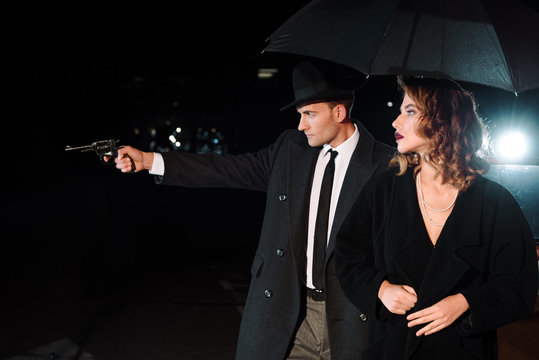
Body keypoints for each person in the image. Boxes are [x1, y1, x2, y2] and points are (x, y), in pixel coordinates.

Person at [109, 58, 395, 359]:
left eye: (309, 114)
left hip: (355, 319)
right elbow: (227, 169)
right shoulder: (290, 151)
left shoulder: (387, 165)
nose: (301, 125)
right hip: (293, 312)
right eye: (300, 115)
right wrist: (149, 160)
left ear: (339, 112)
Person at [335, 75, 538, 360]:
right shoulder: (384, 188)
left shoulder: (494, 202)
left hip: (463, 350)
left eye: (409, 111)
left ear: (442, 119)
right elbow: (347, 254)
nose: (395, 122)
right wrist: (380, 289)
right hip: (393, 348)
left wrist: (465, 302)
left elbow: (520, 284)